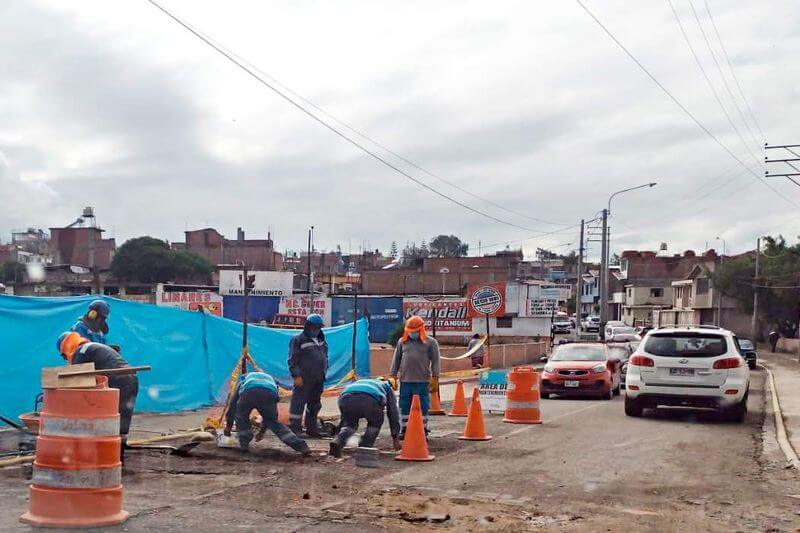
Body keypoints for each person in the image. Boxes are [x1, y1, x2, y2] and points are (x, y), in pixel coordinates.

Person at [56, 331, 139, 450]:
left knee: (111, 417)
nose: (65, 358)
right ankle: (119, 450)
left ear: (67, 347)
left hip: (118, 380)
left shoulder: (81, 352)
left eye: (64, 355)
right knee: (121, 416)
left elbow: (75, 382)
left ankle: (111, 452)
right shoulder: (91, 348)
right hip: (131, 379)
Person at [224, 371, 311, 455]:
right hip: (269, 393)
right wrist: (262, 432)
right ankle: (301, 446)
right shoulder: (271, 381)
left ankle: (244, 444)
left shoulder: (244, 381)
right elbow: (270, 415)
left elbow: (233, 406)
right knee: (273, 422)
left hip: (249, 392)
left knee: (241, 415)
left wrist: (228, 426)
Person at [389, 316, 440, 438]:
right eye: (410, 331)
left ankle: (423, 429)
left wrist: (435, 376)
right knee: (404, 405)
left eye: (415, 331)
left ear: (421, 329)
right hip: (405, 381)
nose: (413, 333)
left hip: (422, 382)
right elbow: (396, 359)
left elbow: (436, 360)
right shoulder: (402, 342)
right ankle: (405, 428)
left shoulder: (431, 343)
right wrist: (393, 375)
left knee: (423, 405)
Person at [329, 378, 402, 457]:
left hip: (344, 398)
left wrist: (338, 431)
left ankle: (338, 442)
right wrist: (395, 437)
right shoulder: (387, 386)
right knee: (374, 424)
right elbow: (393, 413)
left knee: (350, 425)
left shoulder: (360, 381)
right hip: (369, 400)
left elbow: (344, 418)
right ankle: (365, 447)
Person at [288, 313, 328, 437]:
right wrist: (296, 375)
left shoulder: (321, 341)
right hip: (304, 379)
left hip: (318, 379)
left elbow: (324, 357)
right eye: (314, 327)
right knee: (298, 403)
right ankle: (295, 429)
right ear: (307, 326)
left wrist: (324, 371)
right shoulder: (298, 340)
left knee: (315, 404)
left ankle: (312, 428)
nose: (316, 330)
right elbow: (292, 360)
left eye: (318, 327)